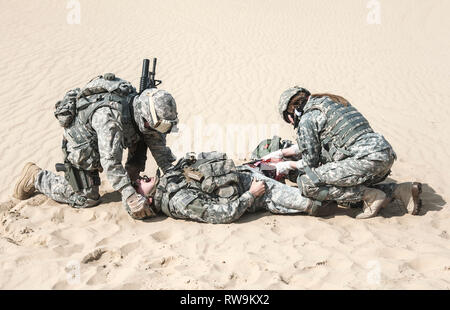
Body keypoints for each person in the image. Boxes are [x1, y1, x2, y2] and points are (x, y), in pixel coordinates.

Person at [13, 73, 178, 220]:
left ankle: (129, 177)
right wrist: (129, 195)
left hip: (116, 136)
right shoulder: (109, 119)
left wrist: (172, 175)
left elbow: (159, 148)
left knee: (146, 136)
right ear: (145, 114)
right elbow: (110, 162)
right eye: (159, 125)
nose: (160, 130)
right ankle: (36, 177)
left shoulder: (144, 116)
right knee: (87, 198)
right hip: (82, 143)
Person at [263, 86, 422, 219]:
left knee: (308, 183)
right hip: (383, 155)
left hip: (365, 160)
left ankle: (371, 197)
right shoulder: (332, 102)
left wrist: (286, 165)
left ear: (292, 113)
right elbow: (329, 138)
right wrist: (284, 152)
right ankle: (401, 191)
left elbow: (309, 163)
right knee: (340, 178)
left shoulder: (307, 119)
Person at [130, 152, 335, 224]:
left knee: (283, 158)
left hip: (244, 174)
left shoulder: (168, 182)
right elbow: (221, 214)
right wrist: (251, 195)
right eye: (138, 186)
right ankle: (347, 195)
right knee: (316, 199)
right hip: (258, 191)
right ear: (147, 201)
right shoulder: (178, 201)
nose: (140, 180)